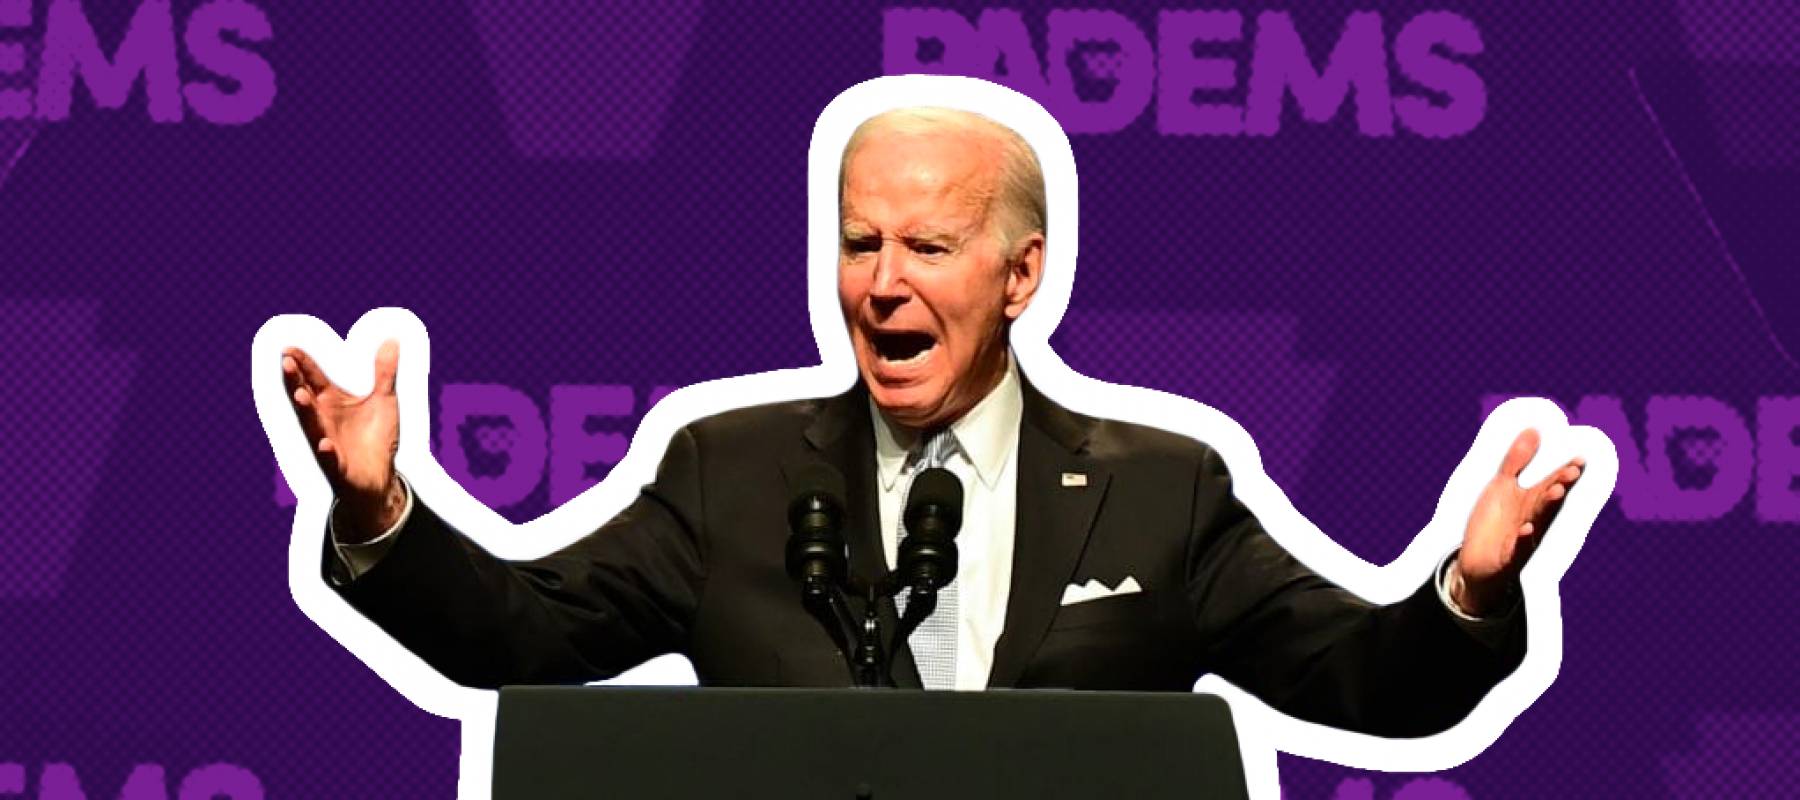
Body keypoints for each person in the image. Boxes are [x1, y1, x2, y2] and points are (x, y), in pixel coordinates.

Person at [279, 107, 1585, 737]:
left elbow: (1365, 682)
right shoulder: (725, 473)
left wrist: (1464, 591)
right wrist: (381, 514)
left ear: (1022, 275)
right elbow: (514, 635)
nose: (882, 283)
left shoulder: (1164, 489)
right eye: (858, 244)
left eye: (928, 245)